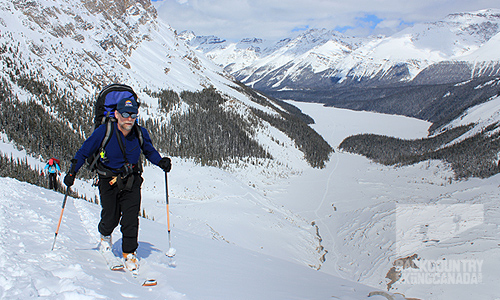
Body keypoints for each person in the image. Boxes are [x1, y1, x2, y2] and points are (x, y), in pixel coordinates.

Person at [64, 96, 172, 271]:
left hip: (132, 179)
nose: (129, 118)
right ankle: (105, 238)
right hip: (108, 180)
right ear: (116, 114)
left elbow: (149, 151)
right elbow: (85, 150)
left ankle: (129, 253)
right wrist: (72, 171)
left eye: (133, 114)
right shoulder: (104, 131)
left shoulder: (140, 133)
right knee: (111, 216)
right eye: (125, 114)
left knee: (131, 218)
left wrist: (161, 162)